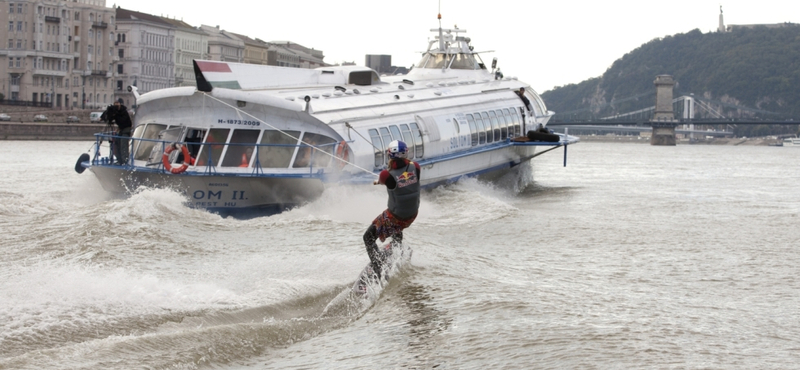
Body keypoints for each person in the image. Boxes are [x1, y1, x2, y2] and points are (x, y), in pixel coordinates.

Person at [363, 140, 421, 279]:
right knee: (396, 225)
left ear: (389, 155)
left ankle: (379, 269)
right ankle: (397, 248)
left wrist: (379, 181)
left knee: (368, 238)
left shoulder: (385, 175)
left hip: (397, 217)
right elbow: (403, 181)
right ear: (406, 153)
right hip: (412, 215)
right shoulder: (416, 167)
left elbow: (385, 180)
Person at [105, 98, 132, 164]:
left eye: (118, 104)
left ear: (120, 104)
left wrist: (116, 115)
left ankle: (125, 161)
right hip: (121, 130)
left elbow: (122, 121)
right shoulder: (115, 111)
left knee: (123, 145)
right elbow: (109, 118)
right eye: (115, 104)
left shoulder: (123, 111)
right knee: (116, 144)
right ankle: (119, 160)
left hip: (126, 129)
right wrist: (110, 114)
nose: (116, 106)